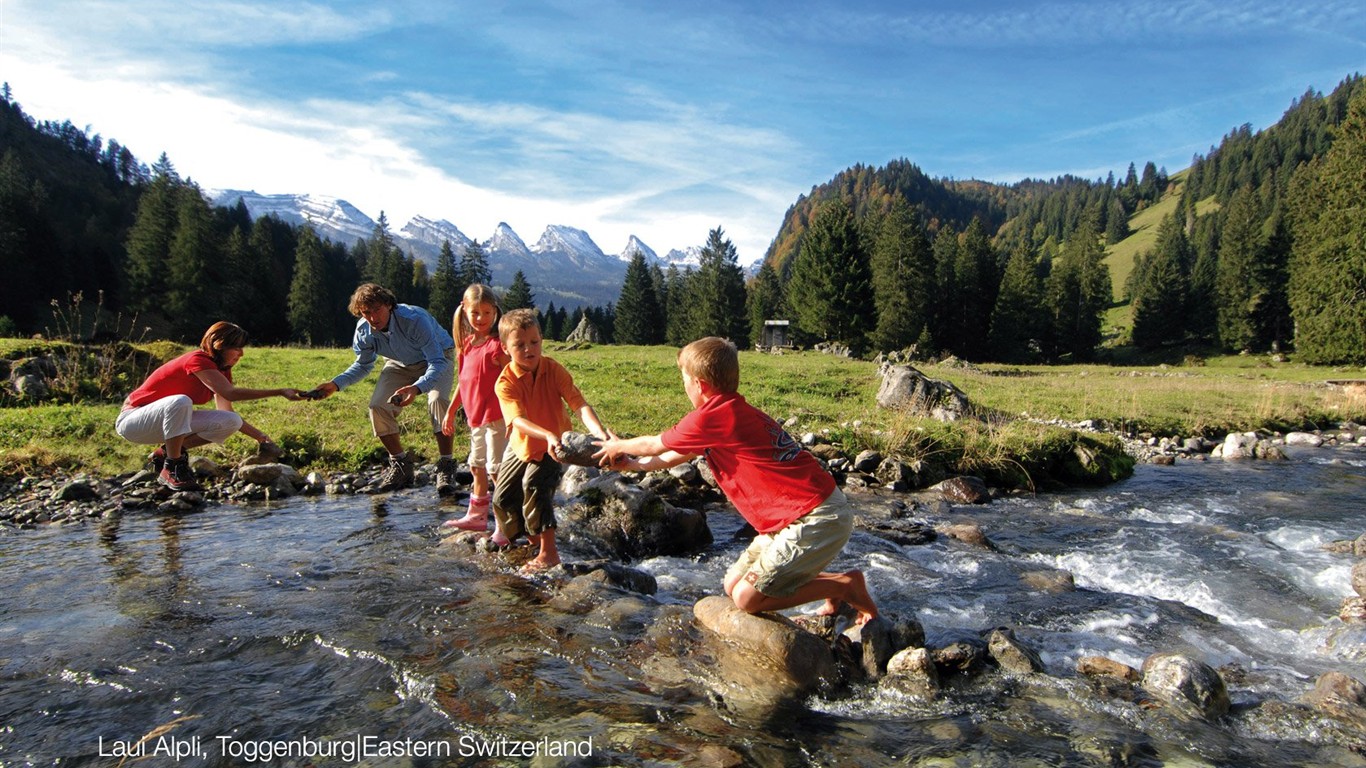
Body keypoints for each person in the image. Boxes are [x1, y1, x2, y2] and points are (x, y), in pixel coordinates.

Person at [594, 337, 878, 625]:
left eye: (684, 380)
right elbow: (673, 456)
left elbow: (656, 445)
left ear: (700, 384)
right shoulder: (728, 413)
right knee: (733, 585)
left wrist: (618, 446)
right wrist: (632, 464)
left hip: (815, 517)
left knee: (747, 598)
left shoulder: (711, 418)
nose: (684, 386)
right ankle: (839, 584)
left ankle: (843, 586)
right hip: (793, 518)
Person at [115, 321, 302, 491]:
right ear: (218, 344)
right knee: (181, 401)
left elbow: (226, 411)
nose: (241, 353)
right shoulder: (197, 360)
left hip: (165, 424)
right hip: (133, 421)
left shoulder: (221, 370)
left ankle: (164, 455)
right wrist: (279, 391)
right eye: (237, 348)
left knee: (231, 421)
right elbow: (230, 393)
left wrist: (261, 438)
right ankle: (173, 467)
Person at [493, 308, 614, 571]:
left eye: (534, 342)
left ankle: (549, 553)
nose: (529, 349)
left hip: (555, 446)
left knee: (535, 485)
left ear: (542, 340)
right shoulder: (505, 381)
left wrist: (598, 432)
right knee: (502, 499)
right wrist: (544, 433)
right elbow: (517, 421)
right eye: (520, 345)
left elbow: (578, 404)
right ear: (505, 348)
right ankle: (531, 539)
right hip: (522, 444)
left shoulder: (553, 369)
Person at [311, 283, 458, 495]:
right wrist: (335, 385)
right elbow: (363, 365)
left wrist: (416, 389)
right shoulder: (364, 331)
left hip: (438, 357)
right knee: (377, 406)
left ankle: (446, 465)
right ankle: (401, 464)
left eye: (377, 310)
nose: (372, 318)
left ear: (389, 305)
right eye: (366, 313)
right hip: (398, 363)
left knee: (437, 400)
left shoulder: (415, 320)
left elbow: (436, 361)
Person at [440, 284, 511, 543]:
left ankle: (506, 522)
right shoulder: (467, 344)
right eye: (475, 313)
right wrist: (450, 411)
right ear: (465, 311)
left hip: (497, 418)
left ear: (496, 313)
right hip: (476, 418)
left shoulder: (497, 346)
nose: (481, 319)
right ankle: (477, 515)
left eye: (487, 313)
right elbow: (463, 381)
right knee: (476, 465)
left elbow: (512, 380)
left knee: (496, 469)